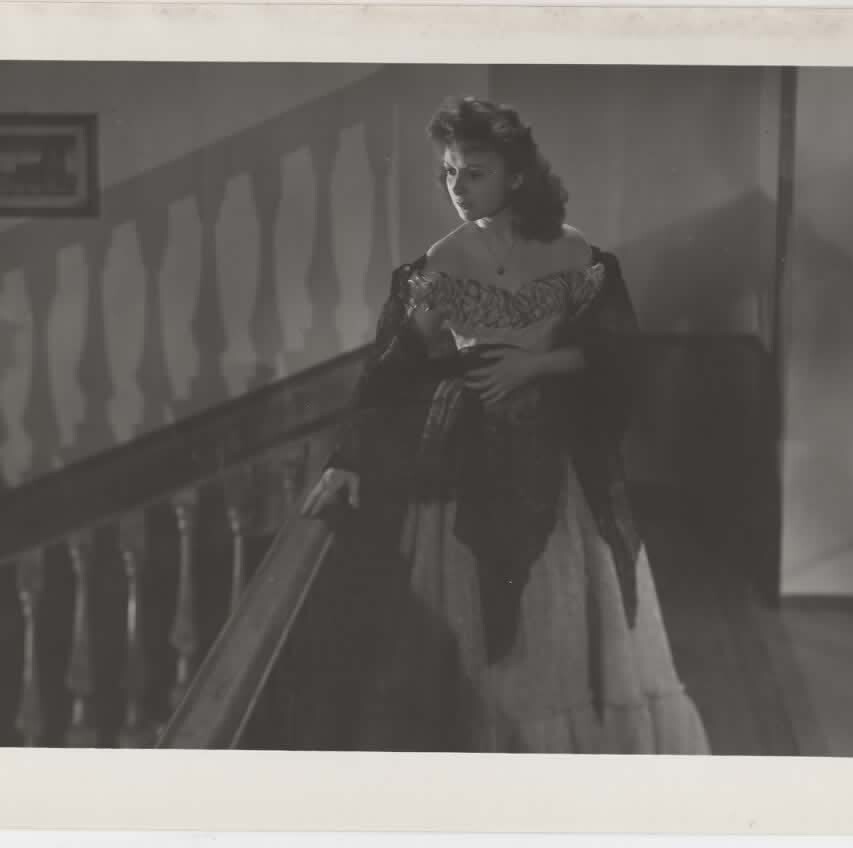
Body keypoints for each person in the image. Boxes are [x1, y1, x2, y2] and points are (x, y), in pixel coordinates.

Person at [301, 95, 710, 754]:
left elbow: (612, 353)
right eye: (449, 172)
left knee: (562, 616)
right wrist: (346, 457)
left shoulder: (574, 252)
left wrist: (535, 364)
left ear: (516, 175)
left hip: (559, 457)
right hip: (469, 456)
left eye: (474, 173)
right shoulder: (444, 259)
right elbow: (393, 367)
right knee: (480, 625)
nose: (457, 188)